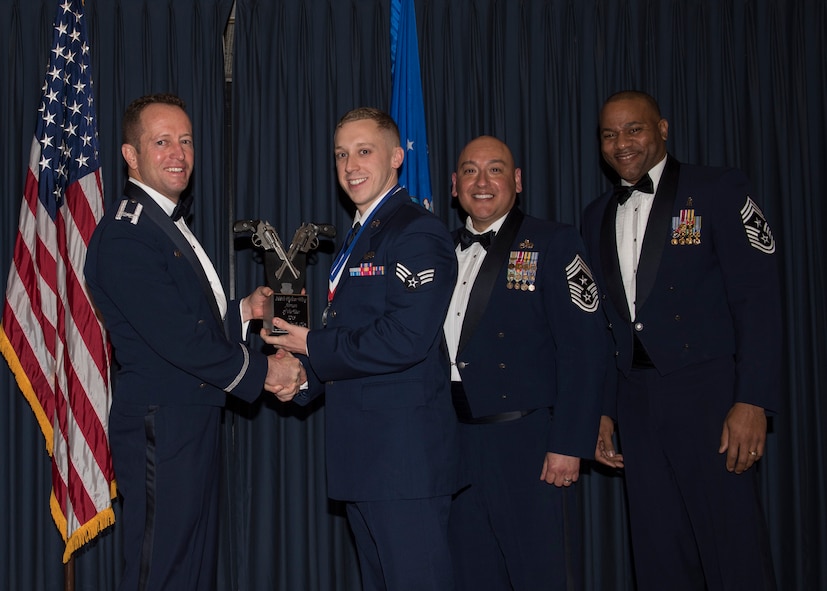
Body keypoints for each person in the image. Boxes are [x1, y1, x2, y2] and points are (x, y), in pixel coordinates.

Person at [83, 93, 305, 591]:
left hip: (188, 418)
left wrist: (245, 310)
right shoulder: (127, 235)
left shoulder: (163, 224)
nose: (178, 154)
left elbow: (185, 319)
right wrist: (267, 372)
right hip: (162, 426)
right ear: (131, 155)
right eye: (161, 142)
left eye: (185, 141)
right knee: (162, 570)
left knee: (191, 570)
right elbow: (180, 339)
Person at [582, 90, 780, 590]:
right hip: (636, 403)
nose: (621, 143)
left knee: (733, 550)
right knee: (658, 555)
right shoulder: (594, 214)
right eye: (610, 134)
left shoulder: (717, 188)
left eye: (634, 129)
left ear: (663, 129)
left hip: (710, 396)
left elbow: (758, 300)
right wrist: (603, 410)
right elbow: (603, 326)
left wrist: (752, 398)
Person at [263, 107, 461, 591]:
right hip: (364, 461)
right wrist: (305, 375)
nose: (350, 164)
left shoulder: (416, 230)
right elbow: (355, 340)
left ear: (396, 157)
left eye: (364, 151)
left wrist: (310, 343)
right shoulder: (361, 233)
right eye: (341, 154)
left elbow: (406, 338)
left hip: (403, 464)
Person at [445, 135, 607, 590]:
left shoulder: (554, 242)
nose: (481, 181)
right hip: (456, 442)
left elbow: (586, 348)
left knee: (540, 574)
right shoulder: (438, 251)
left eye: (495, 169)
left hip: (529, 444)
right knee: (471, 574)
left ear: (516, 181)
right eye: (470, 171)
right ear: (453, 185)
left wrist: (569, 443)